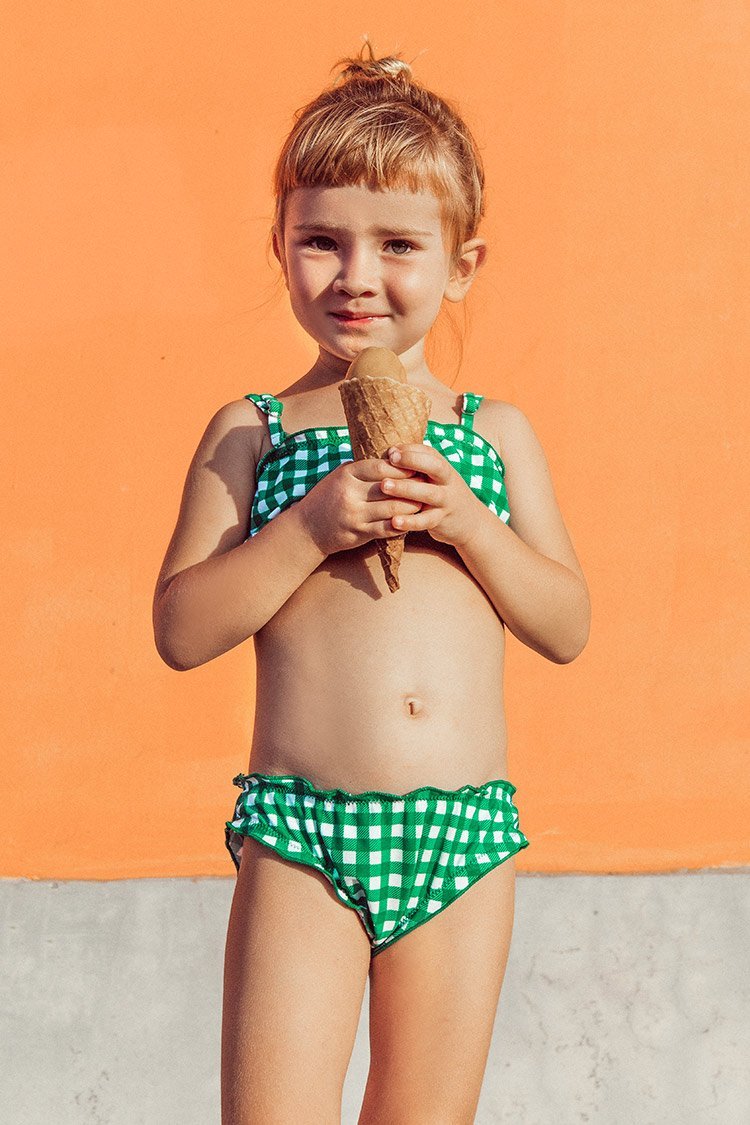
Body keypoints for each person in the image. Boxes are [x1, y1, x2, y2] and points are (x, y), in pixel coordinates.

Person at [153, 39, 591, 1125]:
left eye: (398, 244)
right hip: (303, 833)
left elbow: (566, 621)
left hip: (464, 838)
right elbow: (181, 627)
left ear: (462, 264)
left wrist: (469, 525)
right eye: (321, 242)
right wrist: (306, 531)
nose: (355, 276)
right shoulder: (250, 432)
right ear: (279, 247)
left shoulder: (491, 434)